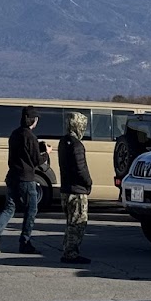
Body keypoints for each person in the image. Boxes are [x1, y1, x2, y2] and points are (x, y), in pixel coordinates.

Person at [0, 106, 47, 255]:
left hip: (12, 176)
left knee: (9, 208)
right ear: (34, 120)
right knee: (31, 209)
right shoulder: (30, 137)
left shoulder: (15, 134)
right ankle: (25, 241)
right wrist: (46, 153)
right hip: (26, 179)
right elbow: (36, 160)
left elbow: (24, 153)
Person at [58, 111, 93, 264]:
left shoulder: (63, 142)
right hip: (77, 190)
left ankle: (67, 249)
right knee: (78, 223)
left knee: (70, 222)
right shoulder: (77, 145)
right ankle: (71, 253)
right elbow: (81, 168)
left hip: (66, 189)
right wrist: (88, 182)